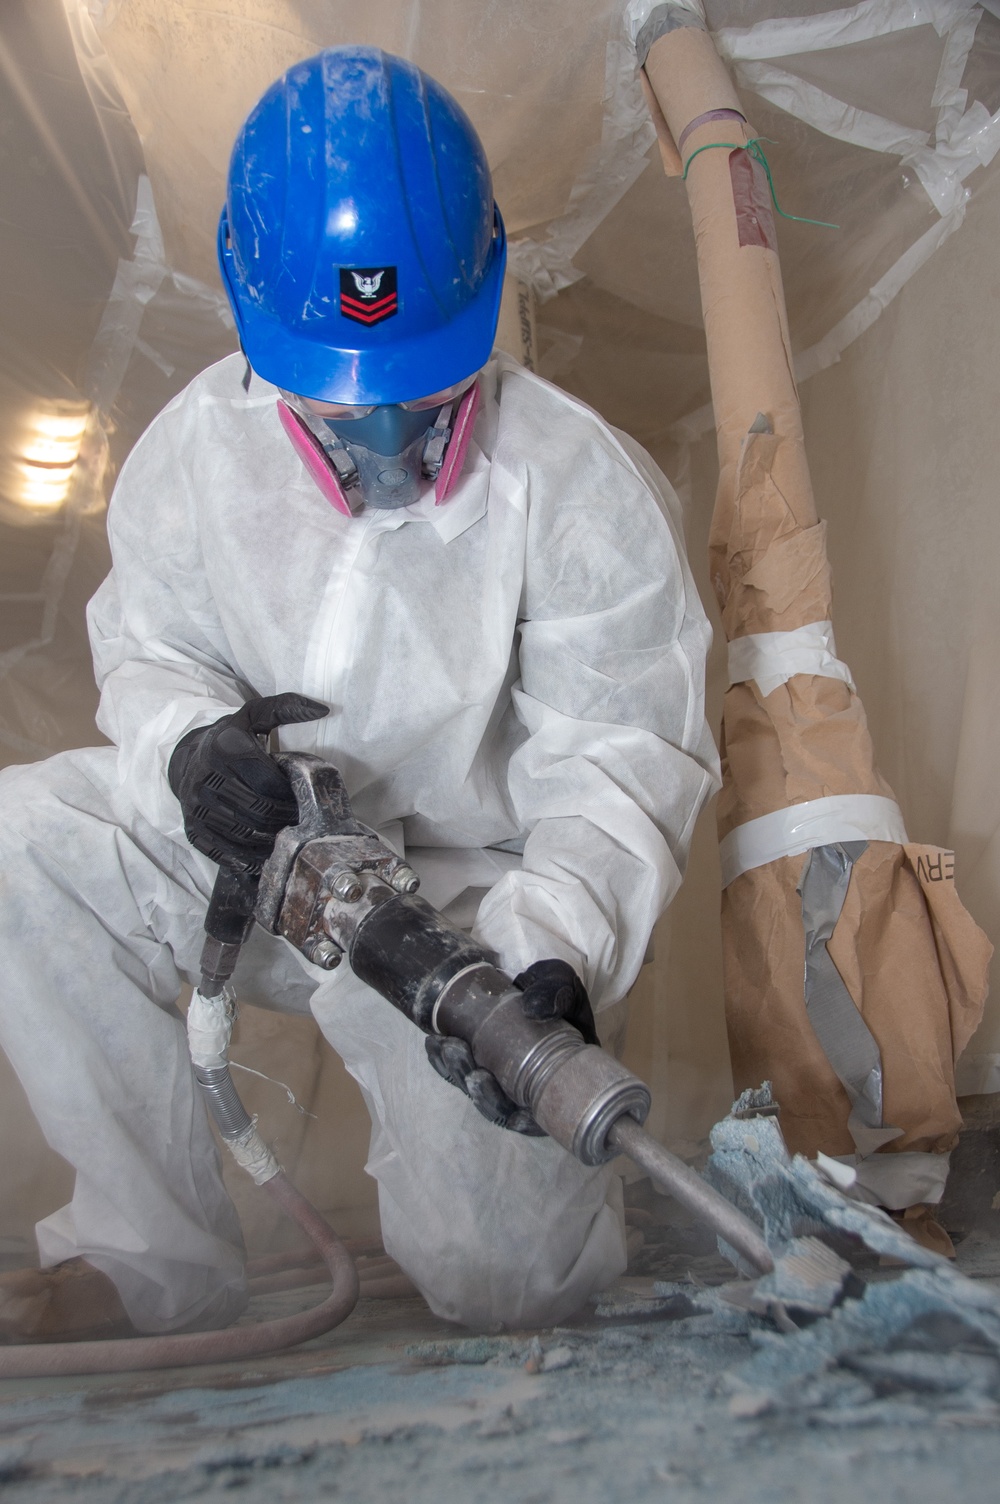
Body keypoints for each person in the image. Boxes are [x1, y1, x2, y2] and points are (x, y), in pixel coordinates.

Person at [0, 46, 719, 1342]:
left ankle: (526, 1216)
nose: (385, 443)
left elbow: (618, 755)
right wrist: (184, 755)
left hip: (460, 904)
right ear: (250, 311)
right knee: (28, 839)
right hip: (267, 875)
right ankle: (153, 1263)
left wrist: (550, 952)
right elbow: (152, 654)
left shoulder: (576, 483)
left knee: (515, 1290)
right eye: (341, 408)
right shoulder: (186, 458)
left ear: (484, 294)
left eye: (421, 394)